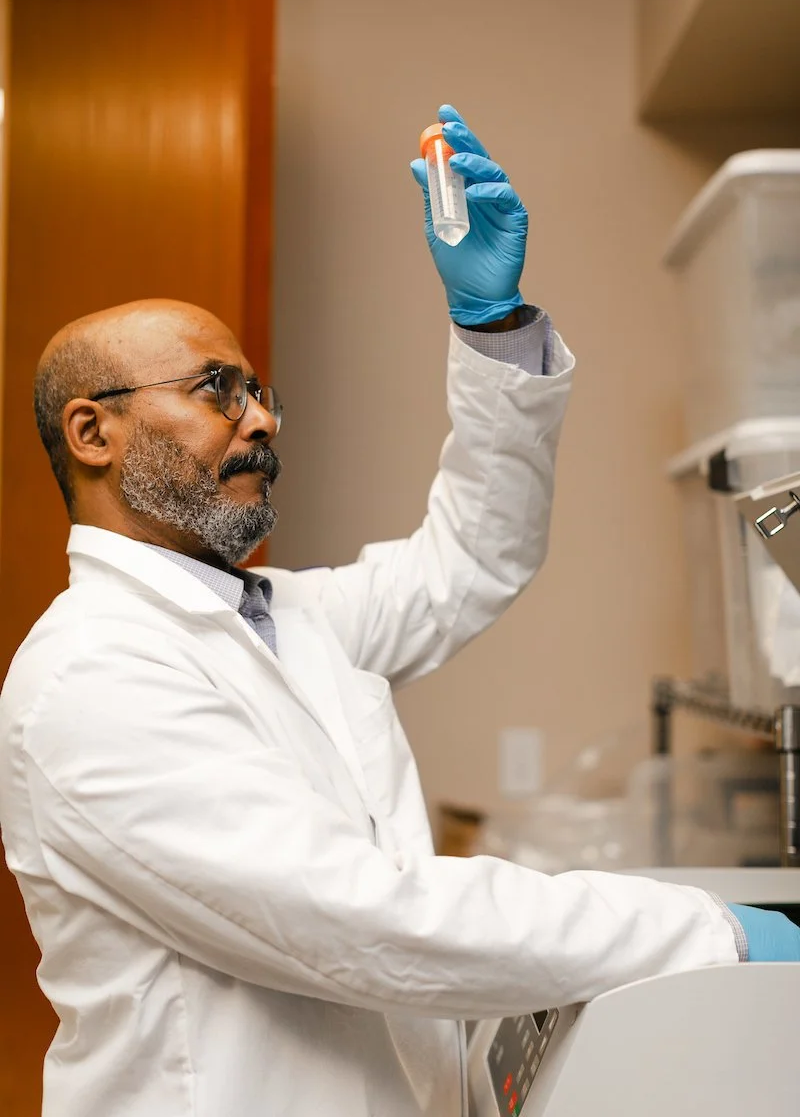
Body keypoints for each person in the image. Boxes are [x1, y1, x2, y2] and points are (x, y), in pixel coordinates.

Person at [0, 105, 797, 1117]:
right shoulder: (91, 679)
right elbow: (360, 918)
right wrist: (711, 934)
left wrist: (492, 330)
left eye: (259, 391)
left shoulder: (283, 618)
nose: (261, 417)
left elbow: (470, 558)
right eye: (215, 389)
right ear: (91, 430)